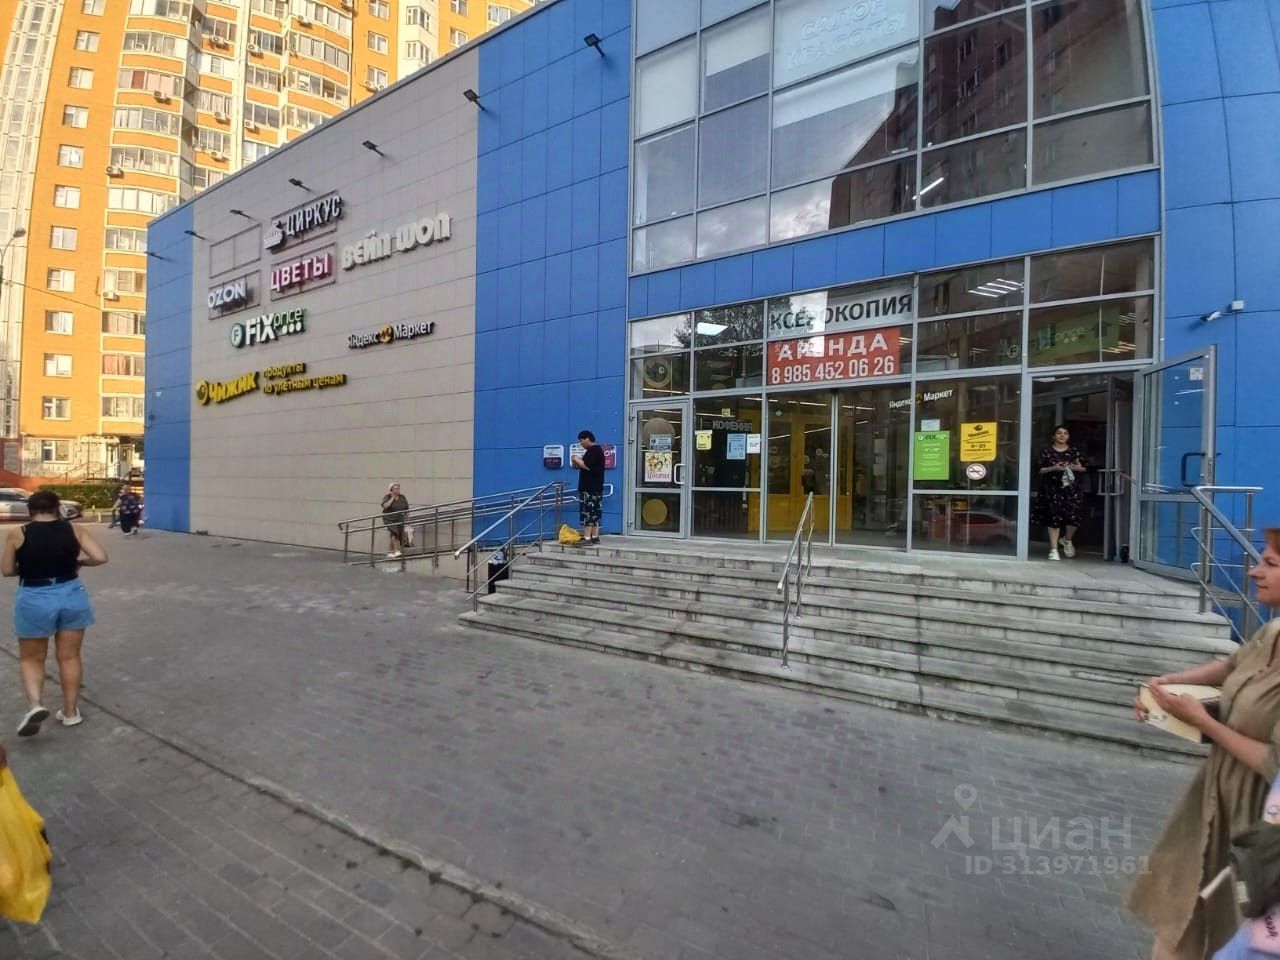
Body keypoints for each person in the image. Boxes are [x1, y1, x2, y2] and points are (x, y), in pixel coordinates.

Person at [1129, 526, 1280, 960]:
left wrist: (1203, 722)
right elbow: (1230, 665)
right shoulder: (1272, 631)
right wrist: (1166, 687)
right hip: (1213, 803)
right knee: (1179, 921)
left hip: (1260, 828)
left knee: (1239, 931)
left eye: (1270, 563)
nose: (1253, 571)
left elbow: (1275, 763)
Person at [1, 490, 108, 736]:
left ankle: (36, 705)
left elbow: (6, 570)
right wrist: (81, 563)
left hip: (35, 597)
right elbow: (101, 557)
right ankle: (70, 712)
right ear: (58, 508)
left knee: (32, 658)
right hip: (71, 593)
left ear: (30, 510)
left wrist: (25, 568)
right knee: (69, 657)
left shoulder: (18, 533)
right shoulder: (74, 529)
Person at [1032, 425, 1086, 560]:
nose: (1062, 435)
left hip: (1072, 490)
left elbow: (1084, 468)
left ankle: (1067, 540)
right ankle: (1054, 549)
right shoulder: (1046, 452)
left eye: (1065, 433)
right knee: (1054, 518)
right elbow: (1039, 469)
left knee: (1073, 517)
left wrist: (1075, 467)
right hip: (1052, 490)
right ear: (1054, 436)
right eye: (1059, 433)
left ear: (1068, 436)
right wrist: (1054, 468)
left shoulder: (1074, 451)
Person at [570, 430, 605, 545]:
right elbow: (587, 466)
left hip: (589, 488)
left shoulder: (593, 450)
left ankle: (587, 538)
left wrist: (577, 459)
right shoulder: (597, 450)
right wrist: (577, 463)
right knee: (595, 513)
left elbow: (587, 466)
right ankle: (595, 537)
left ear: (588, 438)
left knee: (588, 513)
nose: (580, 443)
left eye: (581, 440)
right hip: (596, 487)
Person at [381, 482, 408, 558]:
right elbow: (385, 506)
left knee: (396, 534)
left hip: (399, 518)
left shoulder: (402, 497)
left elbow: (406, 507)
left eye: (398, 488)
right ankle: (396, 551)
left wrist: (406, 516)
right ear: (391, 490)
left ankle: (390, 552)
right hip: (389, 518)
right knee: (394, 532)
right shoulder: (387, 496)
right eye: (395, 489)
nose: (397, 490)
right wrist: (392, 497)